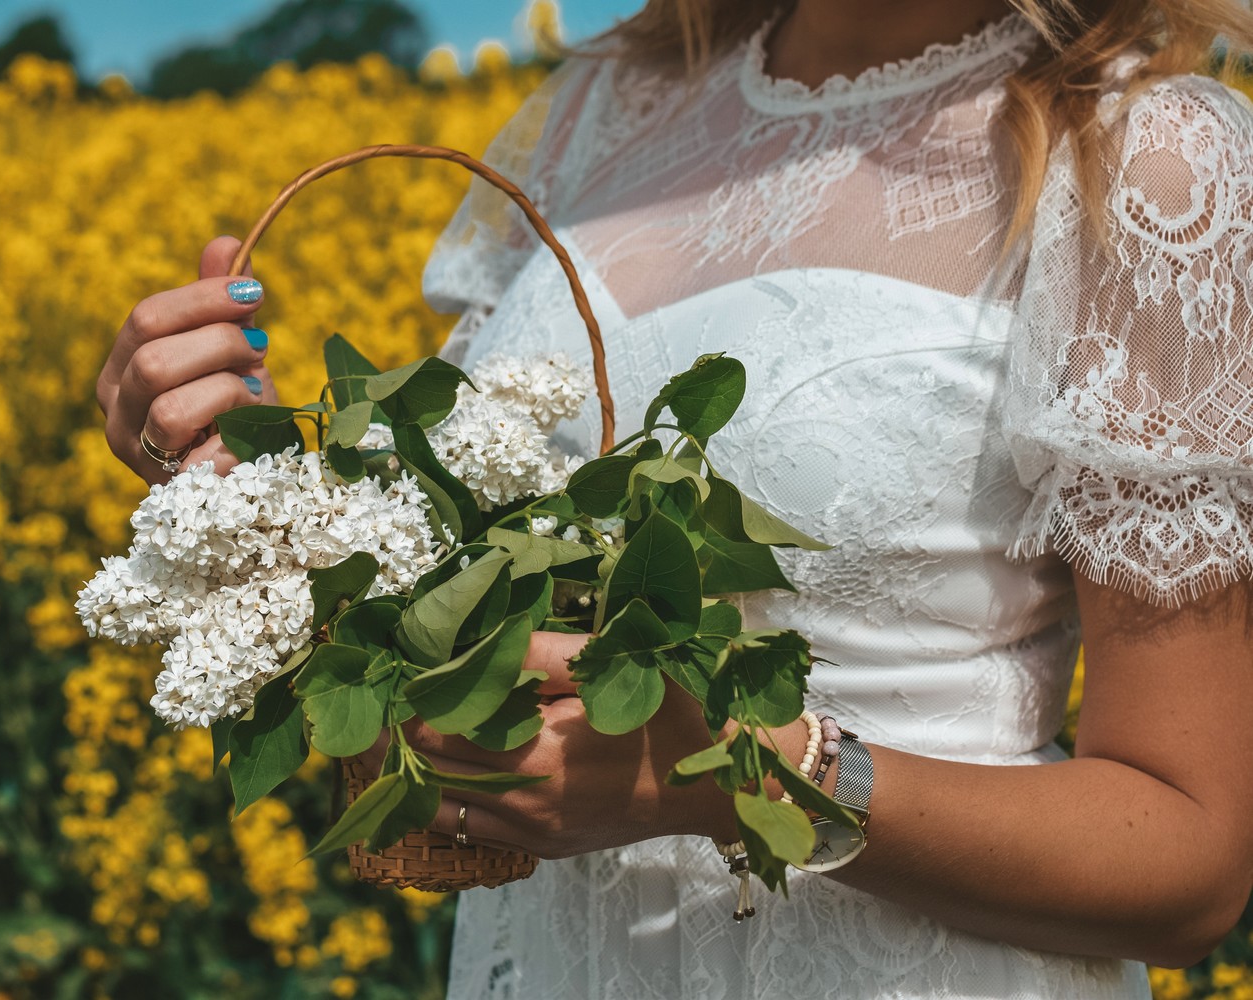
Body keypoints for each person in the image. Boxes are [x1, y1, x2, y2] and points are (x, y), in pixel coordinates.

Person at [95, 0, 1253, 995]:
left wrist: (744, 766)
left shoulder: (1144, 154)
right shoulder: (608, 108)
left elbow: (1189, 856)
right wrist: (244, 489)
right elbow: (461, 579)